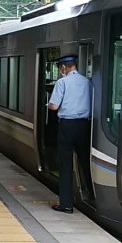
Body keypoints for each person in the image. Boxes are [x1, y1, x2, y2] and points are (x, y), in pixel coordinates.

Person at [47, 54, 92, 213]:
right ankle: (92, 195)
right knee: (85, 162)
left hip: (67, 126)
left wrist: (49, 103)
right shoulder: (87, 82)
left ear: (64, 67)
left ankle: (66, 204)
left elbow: (53, 107)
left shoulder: (62, 82)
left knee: (65, 165)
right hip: (84, 126)